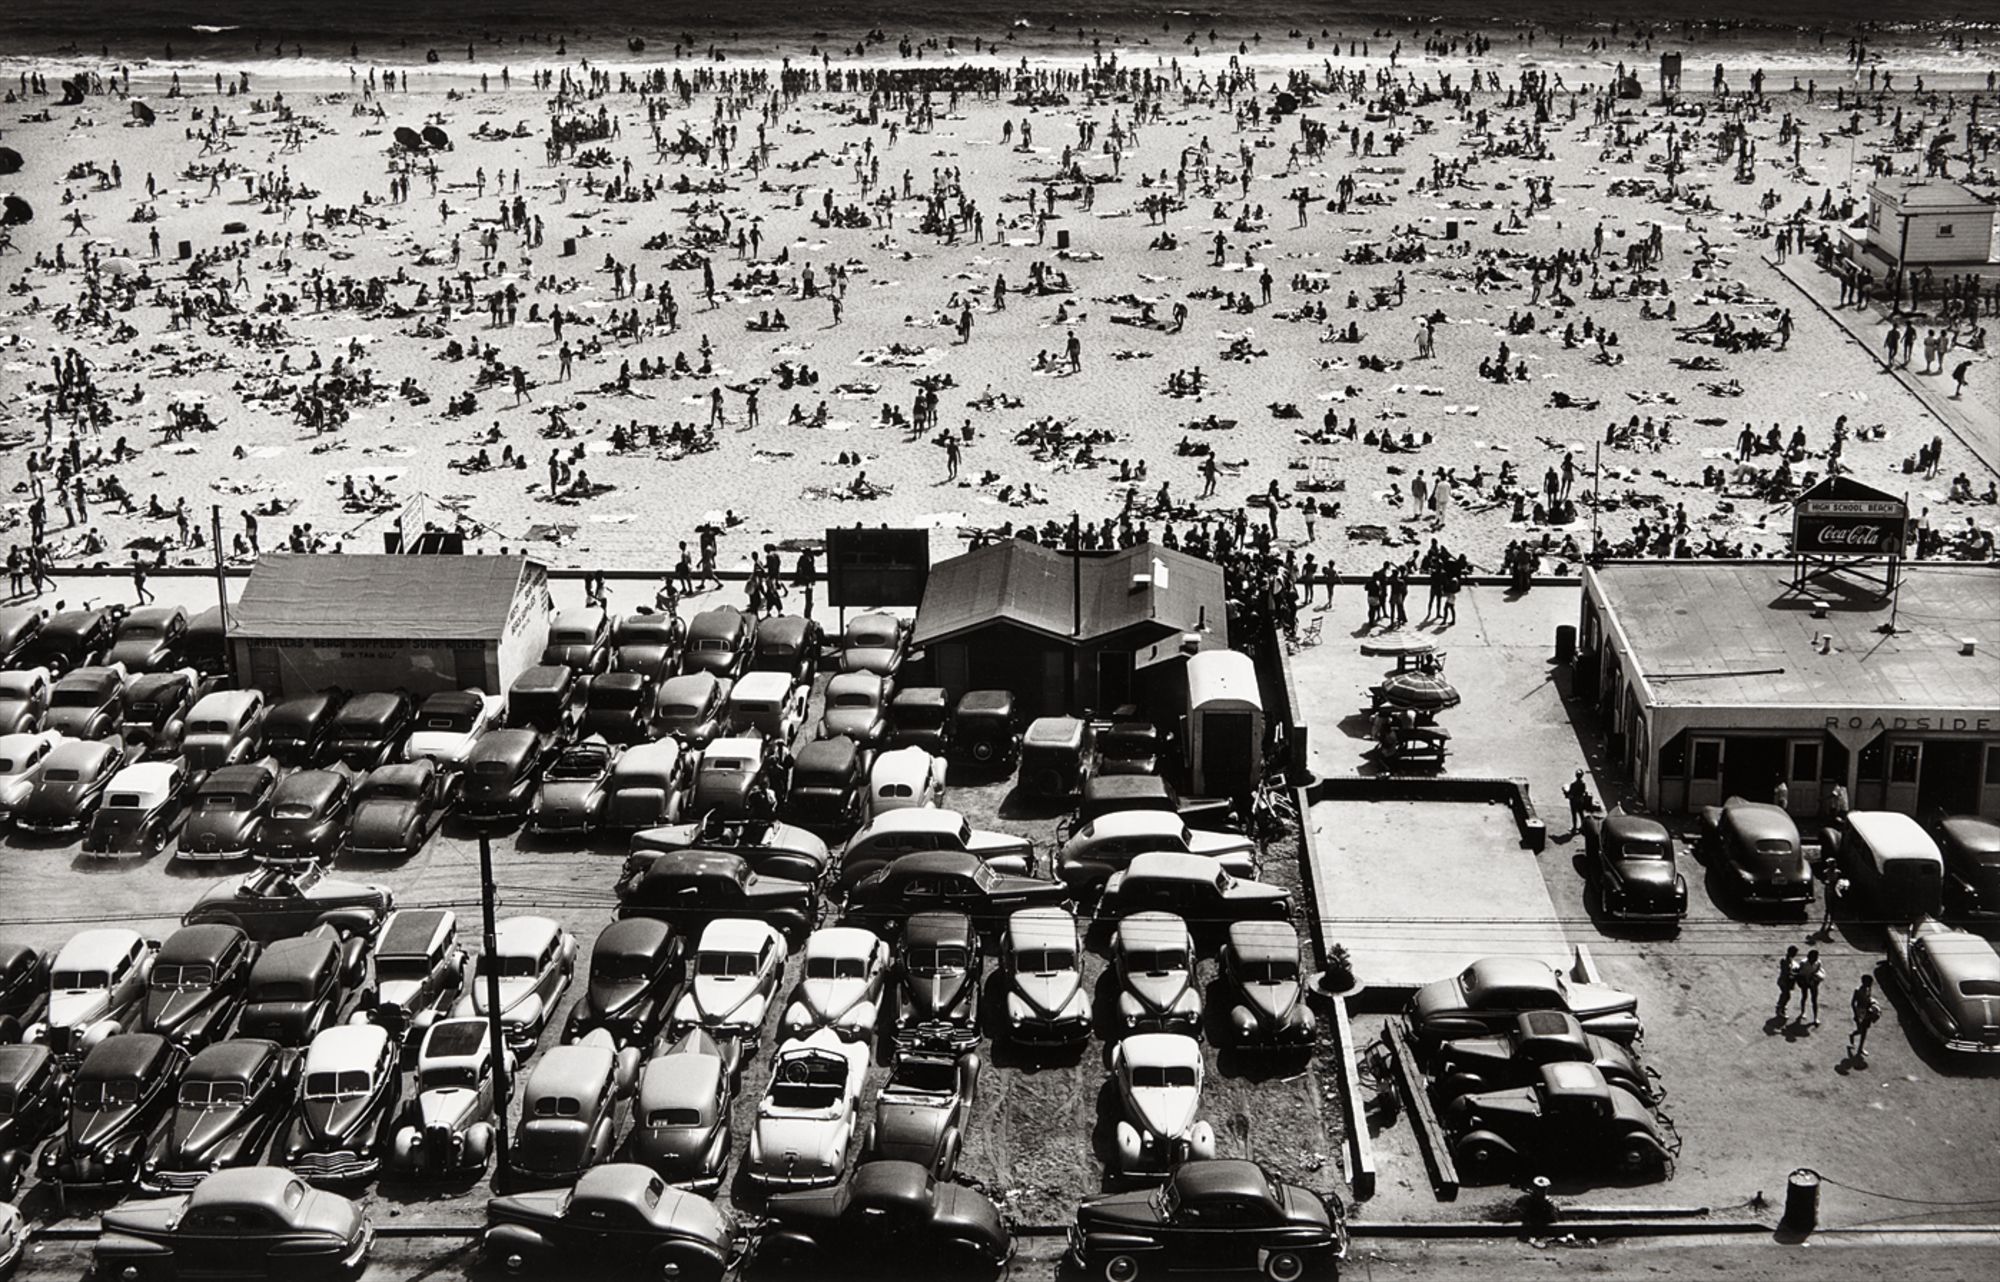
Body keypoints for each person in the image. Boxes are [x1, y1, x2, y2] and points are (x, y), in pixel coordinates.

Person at [1848, 974, 1881, 1061]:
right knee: (1860, 1030)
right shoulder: (1858, 991)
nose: (1870, 985)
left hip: (1867, 1012)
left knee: (1865, 1031)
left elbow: (1868, 999)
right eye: (1869, 983)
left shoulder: (1868, 989)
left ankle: (1860, 1049)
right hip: (1860, 1013)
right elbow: (1853, 1003)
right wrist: (1856, 1015)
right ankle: (1852, 1035)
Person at [1796, 948, 1825, 1028]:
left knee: (1814, 1000)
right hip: (1805, 983)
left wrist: (1816, 980)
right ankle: (1803, 1012)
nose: (1815, 959)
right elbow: (1799, 973)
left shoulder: (1818, 962)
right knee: (1804, 997)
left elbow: (1818, 971)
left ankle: (1815, 1018)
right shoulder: (1803, 963)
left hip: (1813, 983)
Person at [1774, 944, 1800, 1023]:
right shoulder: (1786, 961)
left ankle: (1780, 1005)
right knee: (1787, 995)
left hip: (1784, 981)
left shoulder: (1787, 959)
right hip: (1785, 981)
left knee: (1784, 994)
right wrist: (1796, 974)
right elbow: (1788, 972)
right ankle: (1781, 1009)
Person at [1564, 768, 1593, 836]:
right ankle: (1583, 827)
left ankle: (1574, 828)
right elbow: (1583, 791)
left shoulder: (1573, 784)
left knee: (1574, 814)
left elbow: (1570, 793)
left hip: (1574, 801)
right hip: (1580, 800)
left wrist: (1566, 792)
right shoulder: (1583, 784)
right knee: (1581, 814)